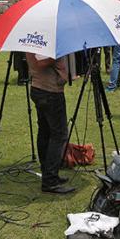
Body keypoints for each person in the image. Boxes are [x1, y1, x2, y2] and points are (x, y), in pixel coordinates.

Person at [26, 50, 74, 194]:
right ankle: (50, 180)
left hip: (39, 87)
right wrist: (57, 55)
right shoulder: (45, 40)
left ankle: (48, 172)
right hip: (49, 90)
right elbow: (41, 62)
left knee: (45, 131)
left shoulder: (32, 37)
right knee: (59, 135)